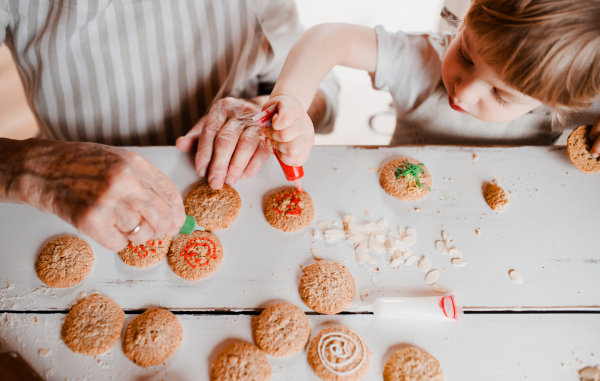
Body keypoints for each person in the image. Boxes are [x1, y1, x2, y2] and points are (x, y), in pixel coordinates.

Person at [0, 0, 339, 251]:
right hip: (72, 206)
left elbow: (323, 90)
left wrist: (267, 112)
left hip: (244, 184)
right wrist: (35, 169)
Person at [259, 0, 600, 169]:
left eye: (499, 94)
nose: (463, 91)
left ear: (557, 103)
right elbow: (331, 37)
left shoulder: (572, 98)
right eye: (465, 55)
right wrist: (291, 97)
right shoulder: (421, 61)